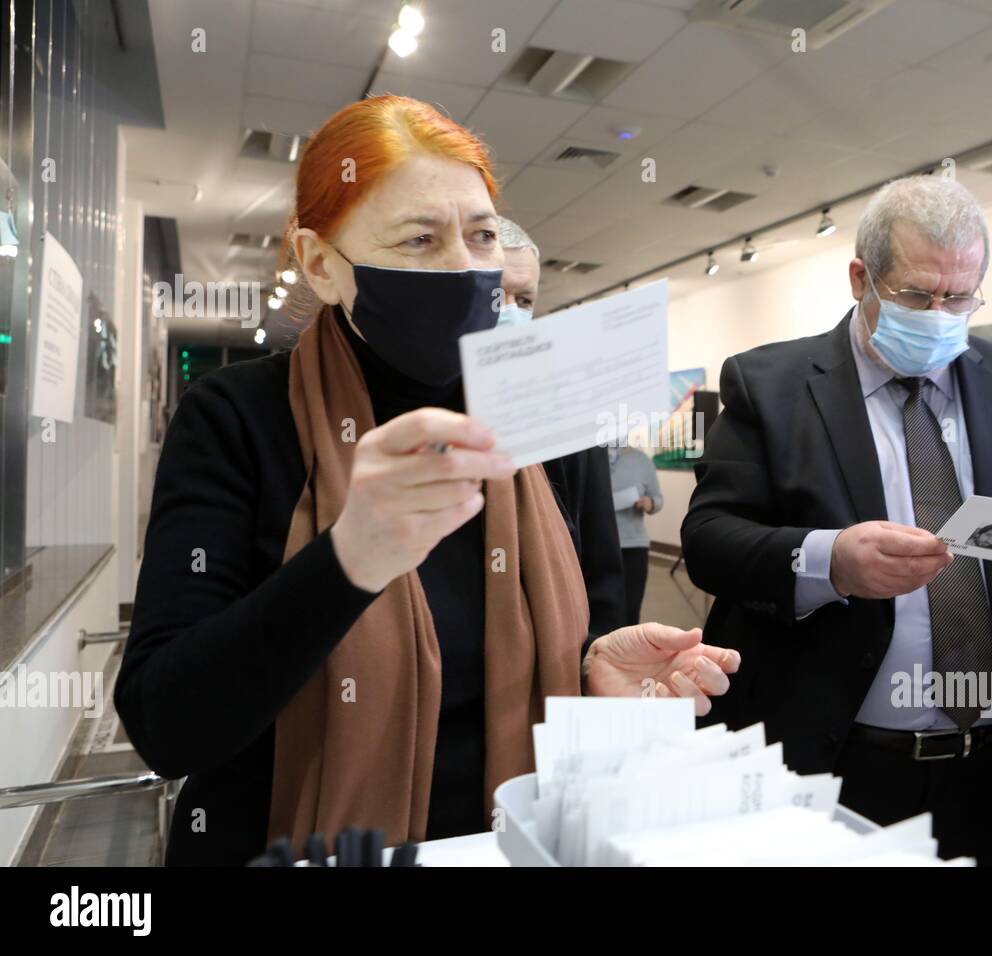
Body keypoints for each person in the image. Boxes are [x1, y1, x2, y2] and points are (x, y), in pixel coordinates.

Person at [114, 96, 738, 866]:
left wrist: (598, 677)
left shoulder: (545, 418)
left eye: (480, 235)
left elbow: (593, 634)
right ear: (320, 264)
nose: (466, 268)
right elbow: (167, 723)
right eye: (420, 239)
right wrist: (348, 560)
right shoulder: (238, 419)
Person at [681, 174, 992, 867]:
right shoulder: (768, 384)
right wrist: (830, 561)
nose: (941, 314)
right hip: (841, 751)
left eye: (961, 297)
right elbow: (710, 540)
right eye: (917, 295)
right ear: (861, 276)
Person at [497, 217, 624, 639]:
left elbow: (600, 556)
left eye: (525, 299)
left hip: (556, 645)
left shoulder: (568, 414)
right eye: (498, 295)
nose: (512, 313)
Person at [608, 444, 664, 626]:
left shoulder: (642, 460)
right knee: (602, 611)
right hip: (601, 546)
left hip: (634, 545)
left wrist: (650, 502)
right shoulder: (594, 459)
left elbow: (657, 498)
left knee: (631, 609)